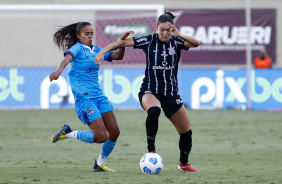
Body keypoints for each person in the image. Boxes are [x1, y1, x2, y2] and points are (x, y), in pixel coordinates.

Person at [95, 11, 200, 172]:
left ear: (172, 30)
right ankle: (151, 150)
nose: (165, 33)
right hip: (150, 90)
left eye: (168, 30)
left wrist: (179, 34)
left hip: (171, 93)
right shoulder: (148, 40)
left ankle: (183, 163)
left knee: (186, 132)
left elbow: (196, 43)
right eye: (162, 29)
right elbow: (120, 44)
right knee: (154, 111)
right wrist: (102, 52)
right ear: (156, 27)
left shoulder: (177, 41)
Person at [49, 21, 133, 172]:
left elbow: (117, 56)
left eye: (92, 33)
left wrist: (122, 43)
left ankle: (100, 164)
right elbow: (66, 59)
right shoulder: (77, 48)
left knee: (114, 132)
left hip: (99, 97)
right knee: (101, 136)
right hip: (84, 99)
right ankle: (68, 133)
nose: (90, 36)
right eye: (86, 34)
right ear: (78, 36)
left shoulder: (97, 50)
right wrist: (58, 71)